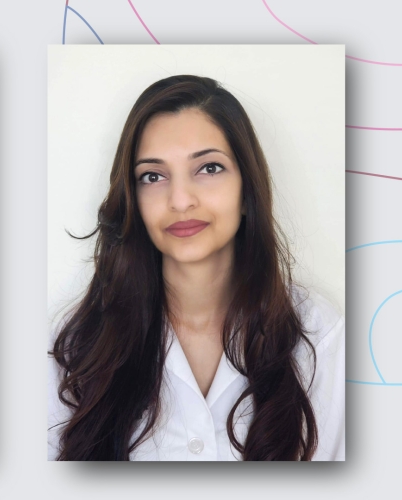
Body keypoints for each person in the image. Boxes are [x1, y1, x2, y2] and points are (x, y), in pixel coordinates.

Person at [48, 75, 344, 461]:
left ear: (246, 189)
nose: (181, 200)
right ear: (133, 200)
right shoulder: (77, 347)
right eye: (152, 176)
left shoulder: (319, 336)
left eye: (208, 168)